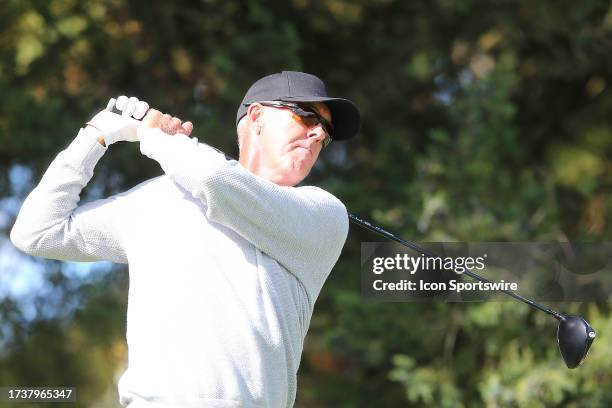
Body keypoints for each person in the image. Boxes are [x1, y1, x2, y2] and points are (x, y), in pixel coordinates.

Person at [10, 71, 360, 408]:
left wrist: (156, 136)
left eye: (326, 131)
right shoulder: (159, 198)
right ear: (257, 117)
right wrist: (95, 137)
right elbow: (37, 232)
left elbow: (213, 178)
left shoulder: (323, 214)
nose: (318, 135)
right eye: (307, 117)